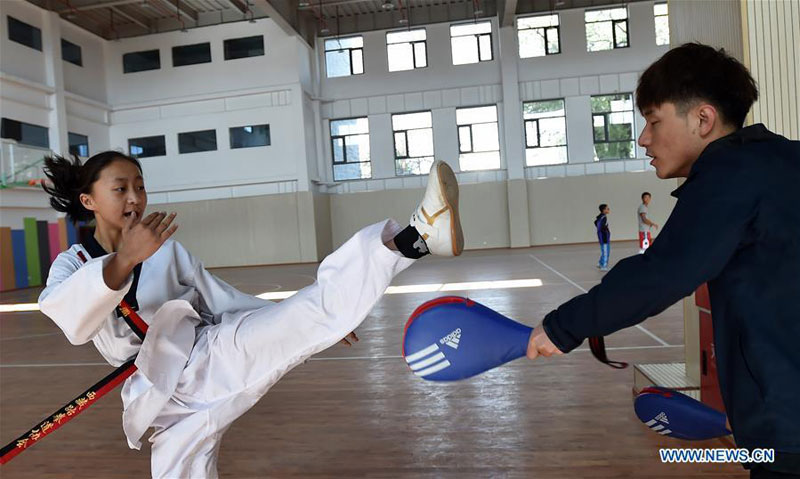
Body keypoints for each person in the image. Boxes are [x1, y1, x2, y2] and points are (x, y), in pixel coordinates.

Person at [38, 151, 464, 478]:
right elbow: (72, 322)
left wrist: (308, 325)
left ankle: (419, 235)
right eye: (120, 189)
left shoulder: (166, 249)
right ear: (88, 199)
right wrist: (124, 260)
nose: (135, 198)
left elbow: (219, 299)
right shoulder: (72, 264)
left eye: (141, 186)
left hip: (209, 358)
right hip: (159, 399)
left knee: (308, 312)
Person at [525, 43, 800, 478]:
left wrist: (562, 326)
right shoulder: (782, 161)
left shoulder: (731, 174)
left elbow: (662, 274)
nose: (643, 138)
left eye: (654, 121)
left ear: (703, 119)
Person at [595, 204, 611, 271]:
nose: (609, 210)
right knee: (605, 252)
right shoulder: (602, 218)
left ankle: (600, 263)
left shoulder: (602, 217)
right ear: (603, 210)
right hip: (604, 237)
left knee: (605, 250)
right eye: (607, 208)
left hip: (604, 236)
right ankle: (603, 266)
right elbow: (600, 227)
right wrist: (605, 234)